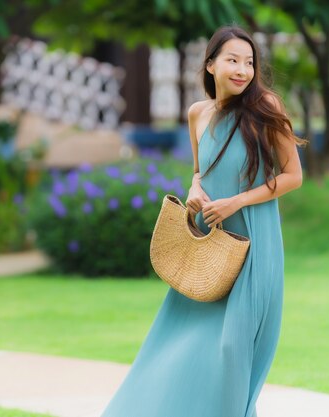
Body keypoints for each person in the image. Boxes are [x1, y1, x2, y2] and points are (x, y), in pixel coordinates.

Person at [100, 25, 305, 417]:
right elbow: (199, 171)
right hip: (212, 247)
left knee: (233, 349)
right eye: (232, 60)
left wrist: (237, 202)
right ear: (210, 65)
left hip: (255, 242)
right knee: (179, 346)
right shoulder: (198, 114)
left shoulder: (267, 110)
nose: (242, 69)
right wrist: (194, 190)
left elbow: (293, 175)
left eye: (249, 62)